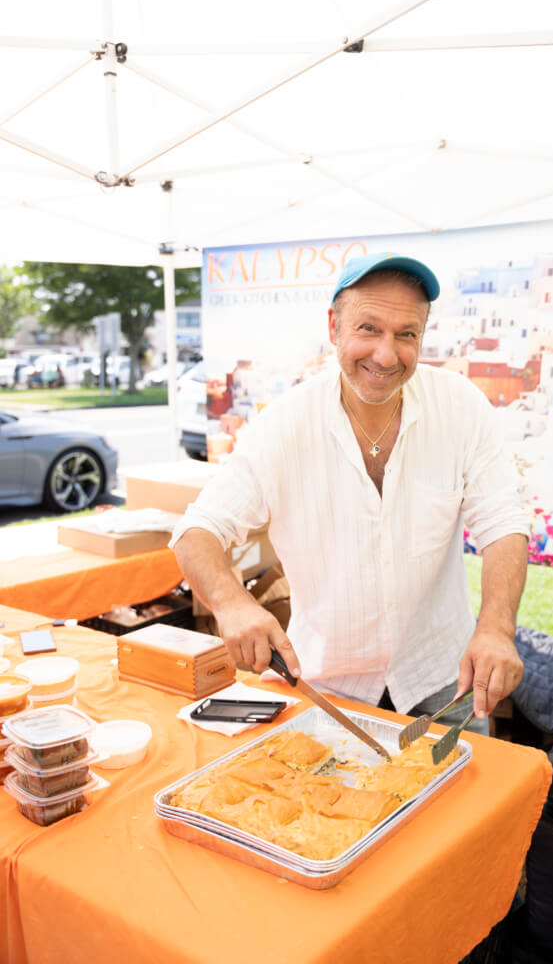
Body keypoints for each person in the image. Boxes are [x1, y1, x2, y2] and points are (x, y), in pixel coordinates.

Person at [171, 253, 529, 730]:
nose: (386, 354)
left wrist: (497, 629)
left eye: (406, 334)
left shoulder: (459, 406)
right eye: (369, 329)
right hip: (327, 687)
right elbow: (198, 530)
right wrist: (232, 603)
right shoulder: (285, 423)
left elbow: (503, 523)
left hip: (442, 679)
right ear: (334, 327)